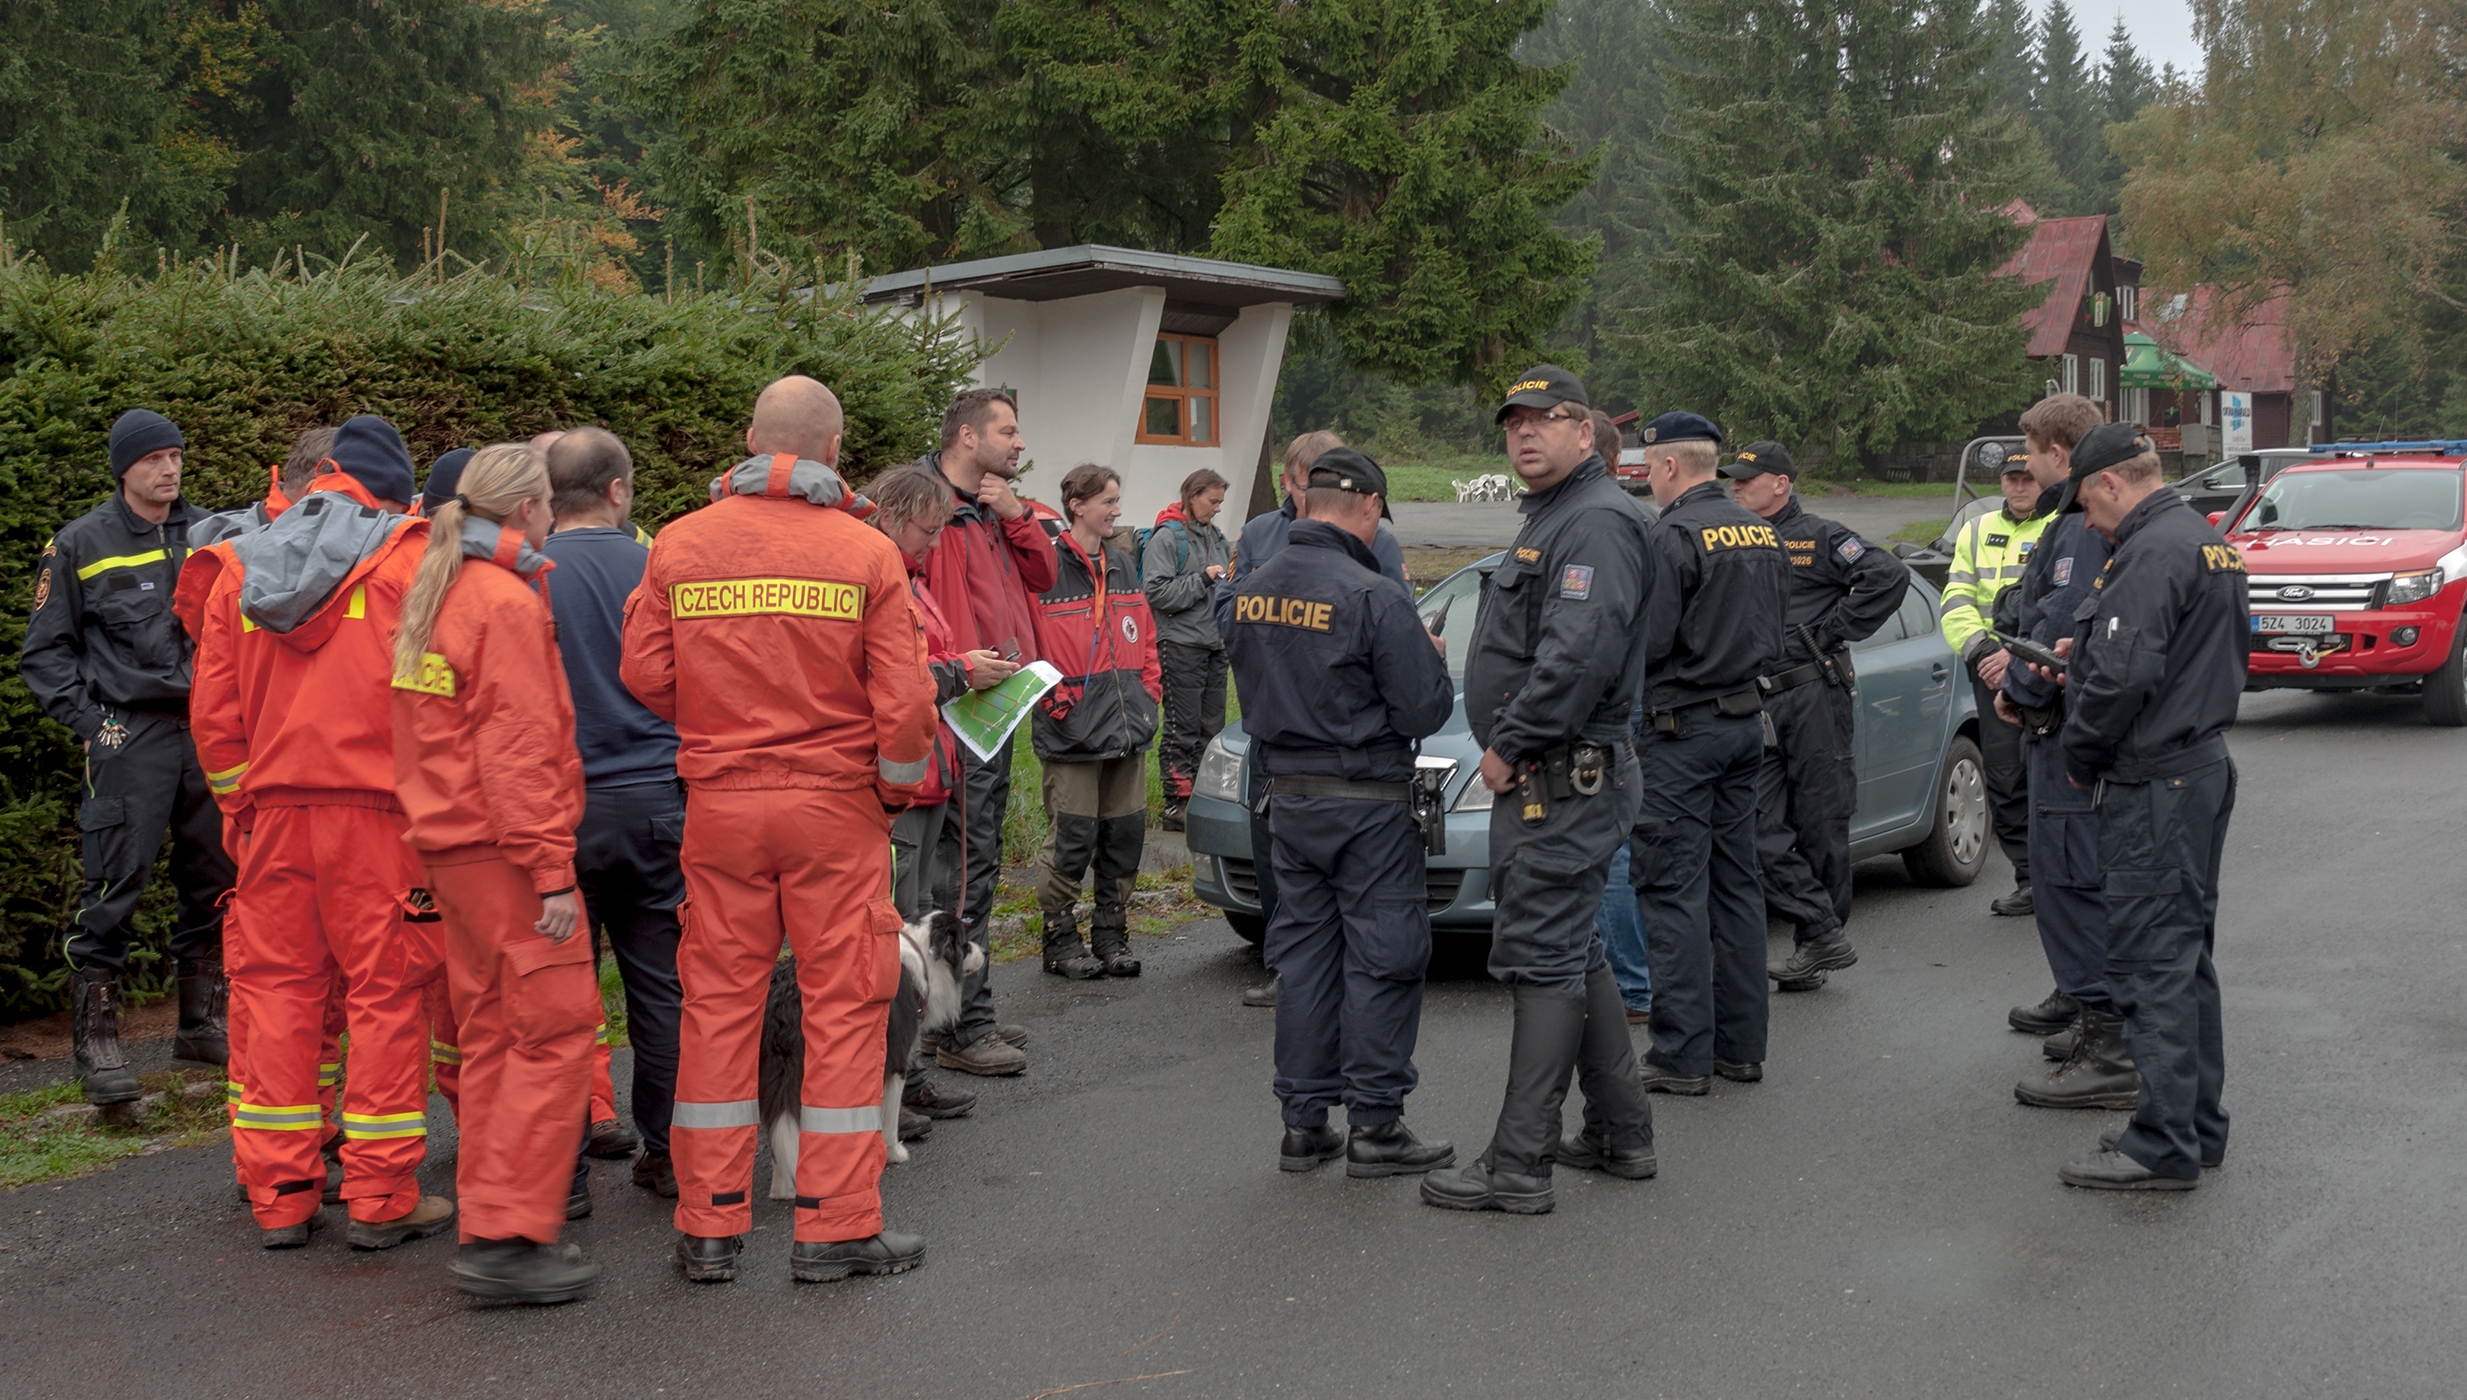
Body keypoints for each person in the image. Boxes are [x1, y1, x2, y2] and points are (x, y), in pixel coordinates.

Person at [622, 374, 938, 1285]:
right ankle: (834, 1228)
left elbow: (642, 673)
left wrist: (721, 722)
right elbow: (908, 705)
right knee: (844, 1007)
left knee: (719, 1004)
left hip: (720, 805)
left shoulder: (681, 543)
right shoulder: (866, 552)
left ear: (752, 444)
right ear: (832, 453)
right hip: (833, 808)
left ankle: (709, 1223)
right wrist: (888, 793)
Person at [190, 414, 457, 1250]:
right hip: (381, 821)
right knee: (387, 995)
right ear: (395, 490)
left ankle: (280, 1193)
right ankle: (380, 1198)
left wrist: (246, 817)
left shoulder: (237, 565)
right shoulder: (414, 564)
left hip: (271, 821)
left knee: (276, 995)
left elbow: (215, 722)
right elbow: (439, 702)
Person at [1423, 366, 1658, 1215]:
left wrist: (1509, 743)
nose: (1524, 433)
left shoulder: (1593, 520)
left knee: (1540, 959)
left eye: (1545, 419)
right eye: (1512, 422)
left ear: (1583, 430)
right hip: (1556, 776)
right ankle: (1619, 1132)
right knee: (1573, 951)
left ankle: (1516, 1164)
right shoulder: (1559, 515)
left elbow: (1579, 651)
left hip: (1556, 776)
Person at [389, 442, 603, 1301]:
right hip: (511, 858)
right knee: (552, 1034)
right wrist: (552, 871)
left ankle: (493, 1220)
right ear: (526, 510)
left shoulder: (436, 593)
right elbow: (518, 753)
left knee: (488, 1038)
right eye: (548, 502)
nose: (553, 516)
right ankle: (511, 1236)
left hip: (455, 853)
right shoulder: (502, 603)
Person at [1224, 447, 1456, 1179]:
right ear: (1365, 509)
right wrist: (1430, 655)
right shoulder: (1372, 595)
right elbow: (1421, 706)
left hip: (1288, 800)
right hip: (1366, 803)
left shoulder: (1249, 592)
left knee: (1304, 960)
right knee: (1385, 957)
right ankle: (1376, 1126)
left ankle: (1303, 1123)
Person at [2044, 421, 2247, 1190]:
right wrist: (2088, 654)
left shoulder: (2150, 548)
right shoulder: (2201, 538)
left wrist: (2078, 751)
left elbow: (2126, 676)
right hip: (2194, 768)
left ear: (2108, 483)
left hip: (2155, 779)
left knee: (2149, 962)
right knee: (2185, 956)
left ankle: (2161, 1146)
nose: (2087, 523)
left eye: (2086, 506)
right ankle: (2196, 1127)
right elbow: (2168, 653)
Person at [20, 409, 237, 1102]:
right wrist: (91, 726)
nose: (169, 470)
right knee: (115, 884)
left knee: (218, 877)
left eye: (175, 456)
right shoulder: (80, 543)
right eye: (153, 460)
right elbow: (45, 652)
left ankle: (201, 1025)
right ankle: (99, 1045)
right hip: (128, 733)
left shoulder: (213, 534)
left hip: (207, 729)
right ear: (124, 468)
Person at [1215, 431, 1411, 1009]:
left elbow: (1396, 618)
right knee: (1280, 859)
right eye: (1309, 478)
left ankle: (1340, 973)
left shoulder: (1380, 541)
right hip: (1277, 725)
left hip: (1344, 737)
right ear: (1291, 481)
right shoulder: (1259, 534)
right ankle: (1290, 970)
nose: (1315, 488)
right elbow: (1228, 610)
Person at [543, 427, 689, 1197]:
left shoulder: (524, 575)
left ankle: (558, 1178)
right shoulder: (656, 567)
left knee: (557, 1002)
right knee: (661, 988)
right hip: (655, 801)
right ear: (619, 491)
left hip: (557, 814)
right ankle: (666, 1153)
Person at [1628, 412, 1789, 1096]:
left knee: (1671, 890)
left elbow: (1650, 642)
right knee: (1736, 887)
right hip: (1744, 723)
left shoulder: (1670, 534)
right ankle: (1740, 1048)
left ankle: (1682, 1055)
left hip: (1680, 731)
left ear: (1666, 466)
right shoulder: (1758, 528)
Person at [1997, 395, 2141, 1111]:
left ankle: (2107, 1042)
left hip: (2062, 725)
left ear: (2060, 451)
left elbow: (2061, 620)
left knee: (2071, 882)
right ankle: (2091, 1015)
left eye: (2030, 450)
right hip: (2056, 718)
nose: (2022, 464)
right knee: (2066, 880)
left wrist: (2021, 688)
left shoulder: (2083, 525)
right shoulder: (2067, 517)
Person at [870, 465, 1020, 1138]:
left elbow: (921, 661)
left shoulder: (912, 577)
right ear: (895, 516)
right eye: (927, 531)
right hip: (899, 785)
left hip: (930, 772)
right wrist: (961, 671)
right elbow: (885, 674)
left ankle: (908, 1077)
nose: (933, 543)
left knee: (912, 933)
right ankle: (889, 1089)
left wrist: (966, 666)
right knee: (892, 939)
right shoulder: (876, 576)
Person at [1726, 442, 1909, 993]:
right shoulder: (1735, 539)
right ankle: (1822, 928)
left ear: (1780, 483)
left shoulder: (1822, 536)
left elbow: (1888, 576)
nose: (1735, 487)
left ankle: (1814, 944)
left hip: (1811, 696)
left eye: (1747, 479)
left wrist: (1832, 631)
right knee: (1755, 823)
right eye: (1732, 479)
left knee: (1821, 820)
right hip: (1754, 699)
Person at [914, 387, 1053, 1082]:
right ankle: (962, 1026)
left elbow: (1046, 573)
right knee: (962, 873)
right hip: (957, 711)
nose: (1018, 443)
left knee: (977, 868)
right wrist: (955, 673)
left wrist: (1017, 515)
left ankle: (970, 1007)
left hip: (997, 709)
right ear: (966, 437)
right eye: (1007, 430)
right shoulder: (929, 509)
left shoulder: (995, 508)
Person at [1030, 465, 1162, 979]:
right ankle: (1059, 940)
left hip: (1127, 731)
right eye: (1108, 500)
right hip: (1073, 735)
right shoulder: (1046, 568)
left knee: (1124, 836)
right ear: (1077, 505)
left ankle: (1111, 934)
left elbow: (1145, 636)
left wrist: (1148, 694)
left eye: (1116, 499)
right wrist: (1057, 703)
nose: (1117, 510)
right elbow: (1029, 641)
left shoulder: (1125, 564)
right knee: (1071, 839)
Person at [1938, 455, 2052, 917]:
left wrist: (2019, 655)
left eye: (2028, 478)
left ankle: (2065, 878)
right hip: (1990, 670)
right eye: (2011, 479)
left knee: (2054, 776)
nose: (2020, 487)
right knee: (2005, 779)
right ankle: (2029, 881)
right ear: (2001, 481)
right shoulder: (1976, 529)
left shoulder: (2062, 526)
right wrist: (1984, 654)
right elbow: (1956, 599)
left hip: (2044, 671)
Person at [1143, 468, 1234, 832]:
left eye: (1220, 502)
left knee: (1212, 728)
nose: (1216, 509)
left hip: (1215, 644)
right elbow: (1156, 593)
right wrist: (1202, 580)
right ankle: (1176, 804)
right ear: (1192, 495)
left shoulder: (1217, 536)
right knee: (1182, 727)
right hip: (1180, 644)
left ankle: (1203, 797)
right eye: (1212, 501)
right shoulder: (1167, 538)